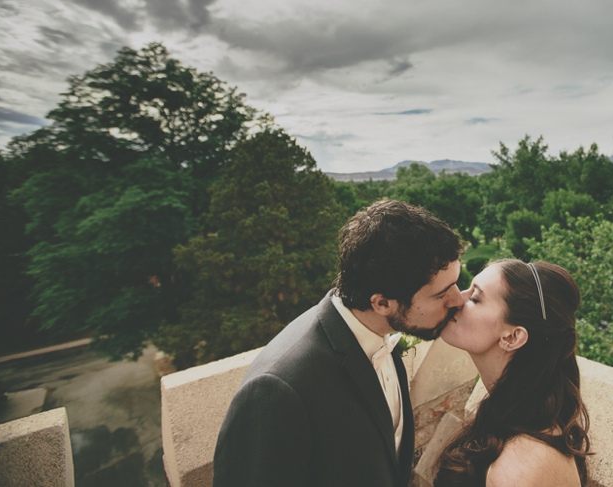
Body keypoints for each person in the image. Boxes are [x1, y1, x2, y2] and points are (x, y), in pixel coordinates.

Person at [213, 200, 465, 487]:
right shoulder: (276, 390)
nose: (458, 300)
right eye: (440, 294)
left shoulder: (382, 333)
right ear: (382, 303)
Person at [434, 259, 591, 487]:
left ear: (511, 337)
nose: (458, 298)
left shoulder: (519, 471)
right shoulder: (513, 413)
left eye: (475, 298)